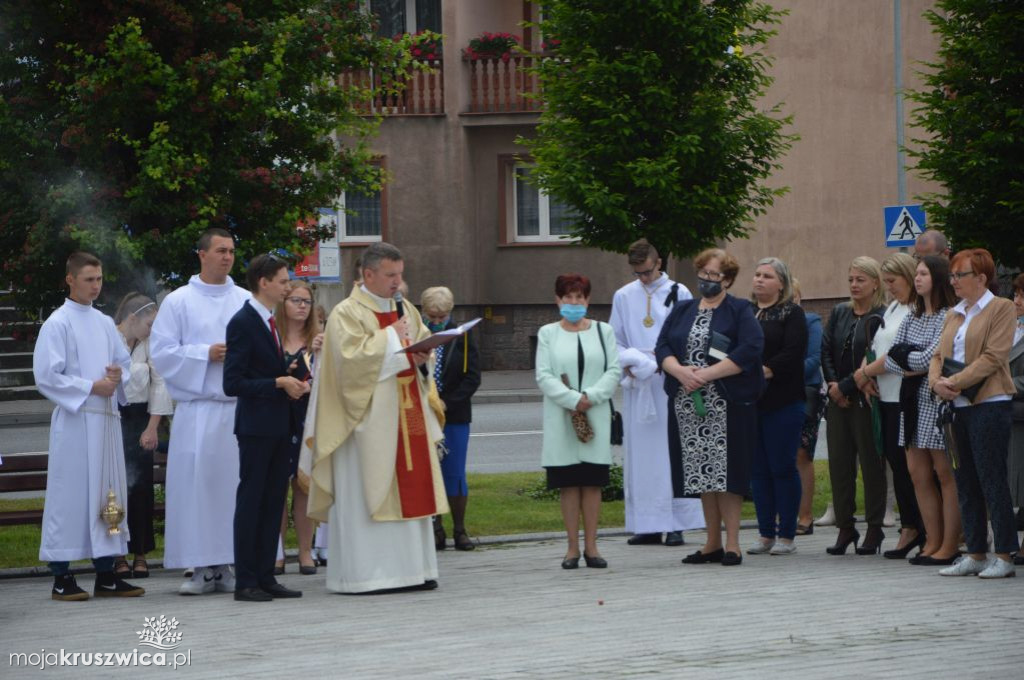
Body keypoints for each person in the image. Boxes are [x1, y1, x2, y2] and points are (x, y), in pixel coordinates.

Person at [306, 242, 448, 593]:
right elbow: (349, 366)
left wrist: (422, 356)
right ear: (367, 274)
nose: (397, 282)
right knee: (369, 489)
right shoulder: (346, 313)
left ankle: (415, 570)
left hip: (407, 413)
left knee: (413, 486)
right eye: (390, 275)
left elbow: (422, 346)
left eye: (400, 275)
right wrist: (392, 340)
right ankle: (369, 576)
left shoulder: (406, 310)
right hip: (366, 425)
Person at [33, 252, 143, 600]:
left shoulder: (103, 323)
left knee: (107, 496)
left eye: (99, 279)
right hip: (77, 422)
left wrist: (116, 375)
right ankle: (61, 576)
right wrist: (91, 386)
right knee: (70, 497)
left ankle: (107, 573)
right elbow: (46, 376)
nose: (96, 286)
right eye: (89, 279)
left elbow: (123, 364)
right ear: (71, 280)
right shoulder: (58, 323)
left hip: (106, 423)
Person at [150, 228, 250, 595]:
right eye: (221, 250)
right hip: (198, 409)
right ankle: (200, 567)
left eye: (232, 251)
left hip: (236, 409)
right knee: (198, 489)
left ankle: (230, 563)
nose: (227, 257)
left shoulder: (245, 299)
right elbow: (162, 354)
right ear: (202, 255)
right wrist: (203, 354)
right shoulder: (179, 302)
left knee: (233, 489)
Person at [656, 248, 765, 567]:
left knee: (727, 474)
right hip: (688, 405)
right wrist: (679, 371)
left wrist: (705, 374)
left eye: (713, 275)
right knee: (701, 475)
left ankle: (732, 543)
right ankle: (712, 542)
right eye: (702, 273)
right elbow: (662, 344)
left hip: (726, 405)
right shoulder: (683, 309)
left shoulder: (740, 310)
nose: (706, 280)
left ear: (728, 280)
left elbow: (751, 348)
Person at [223, 254, 309, 602]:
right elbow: (233, 383)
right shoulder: (243, 322)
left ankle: (265, 575)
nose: (287, 287)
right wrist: (278, 382)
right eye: (283, 281)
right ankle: (246, 579)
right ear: (264, 282)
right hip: (256, 427)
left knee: (274, 501)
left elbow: (266, 371)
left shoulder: (270, 321)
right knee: (252, 502)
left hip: (277, 425)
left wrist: (291, 377)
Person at [930, 248, 1018, 578]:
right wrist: (936, 382)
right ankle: (976, 552)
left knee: (991, 479)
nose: (953, 281)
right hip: (956, 407)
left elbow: (994, 356)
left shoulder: (1001, 308)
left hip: (989, 404)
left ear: (981, 278)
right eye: (951, 276)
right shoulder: (954, 313)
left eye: (959, 275)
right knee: (964, 480)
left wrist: (953, 381)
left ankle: (1006, 555)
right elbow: (937, 354)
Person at [610, 239, 703, 547]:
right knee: (642, 456)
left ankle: (675, 523)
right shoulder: (624, 296)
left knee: (670, 453)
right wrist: (633, 363)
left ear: (658, 262)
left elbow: (688, 336)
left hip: (669, 380)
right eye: (638, 273)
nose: (644, 278)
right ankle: (647, 524)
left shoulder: (680, 293)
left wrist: (664, 363)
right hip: (640, 383)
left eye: (647, 272)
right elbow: (616, 340)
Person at [871, 256, 960, 564]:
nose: (918, 278)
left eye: (923, 273)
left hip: (935, 400)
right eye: (917, 273)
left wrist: (909, 360)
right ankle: (931, 540)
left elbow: (928, 360)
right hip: (910, 400)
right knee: (916, 473)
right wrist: (910, 360)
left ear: (937, 277)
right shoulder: (914, 315)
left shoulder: (949, 315)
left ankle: (950, 543)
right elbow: (894, 358)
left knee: (943, 472)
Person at [536, 273, 621, 569]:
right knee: (569, 485)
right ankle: (571, 548)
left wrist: (590, 396)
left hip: (594, 415)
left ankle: (592, 547)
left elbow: (614, 370)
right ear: (558, 300)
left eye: (579, 297)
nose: (574, 302)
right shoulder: (548, 333)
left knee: (592, 485)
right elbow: (544, 375)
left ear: (588, 300)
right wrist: (573, 400)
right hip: (562, 417)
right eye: (568, 297)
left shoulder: (604, 331)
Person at [856, 253, 924, 559]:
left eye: (892, 281)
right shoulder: (894, 306)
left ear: (909, 278)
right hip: (884, 395)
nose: (889, 287)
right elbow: (877, 344)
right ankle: (909, 524)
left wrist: (866, 372)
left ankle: (918, 526)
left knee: (910, 468)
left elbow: (898, 352)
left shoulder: (915, 309)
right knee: (897, 466)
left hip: (903, 397)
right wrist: (865, 370)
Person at [820, 256, 887, 555]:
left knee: (872, 465)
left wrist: (848, 386)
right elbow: (825, 351)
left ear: (875, 283)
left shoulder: (881, 315)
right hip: (837, 399)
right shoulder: (839, 312)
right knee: (839, 465)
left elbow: (874, 356)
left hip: (866, 398)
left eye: (861, 279)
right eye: (851, 279)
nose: (854, 285)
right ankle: (845, 527)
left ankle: (875, 527)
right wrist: (834, 386)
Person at [747, 257, 807, 556]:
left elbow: (793, 353)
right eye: (757, 275)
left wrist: (761, 372)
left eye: (767, 276)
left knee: (782, 467)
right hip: (751, 402)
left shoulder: (791, 313)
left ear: (781, 283)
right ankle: (765, 533)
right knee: (758, 470)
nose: (759, 280)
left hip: (783, 400)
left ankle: (786, 535)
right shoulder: (747, 313)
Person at [113, 293, 174, 579]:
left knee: (140, 489)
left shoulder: (150, 345)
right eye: (149, 323)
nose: (152, 329)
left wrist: (152, 427)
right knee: (113, 488)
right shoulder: (108, 338)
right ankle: (116, 553)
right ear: (133, 318)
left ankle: (139, 552)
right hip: (112, 418)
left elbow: (159, 384)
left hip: (140, 419)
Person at [421, 286, 482, 552]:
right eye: (431, 317)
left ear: (450, 312)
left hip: (454, 415)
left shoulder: (463, 336)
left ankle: (460, 529)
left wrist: (447, 402)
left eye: (441, 317)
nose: (436, 322)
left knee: (454, 472)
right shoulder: (417, 334)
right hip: (423, 414)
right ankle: (435, 528)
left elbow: (472, 378)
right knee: (428, 472)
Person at [272, 280, 322, 575]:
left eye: (306, 301)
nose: (302, 306)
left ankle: (305, 551)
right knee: (277, 487)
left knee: (303, 486)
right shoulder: (273, 338)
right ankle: (277, 552)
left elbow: (331, 377)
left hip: (308, 415)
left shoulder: (319, 338)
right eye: (296, 301)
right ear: (283, 303)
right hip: (278, 415)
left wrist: (310, 385)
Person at [791, 279, 826, 535]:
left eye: (793, 297)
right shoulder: (763, 320)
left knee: (801, 455)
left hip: (803, 394)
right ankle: (783, 515)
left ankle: (805, 516)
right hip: (772, 397)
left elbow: (814, 360)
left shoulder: (810, 322)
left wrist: (780, 374)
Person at [1009, 274, 1024, 563]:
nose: (1017, 301)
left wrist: (1005, 385)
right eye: (1017, 294)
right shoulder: (1013, 328)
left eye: (1023, 295)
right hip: (1011, 414)